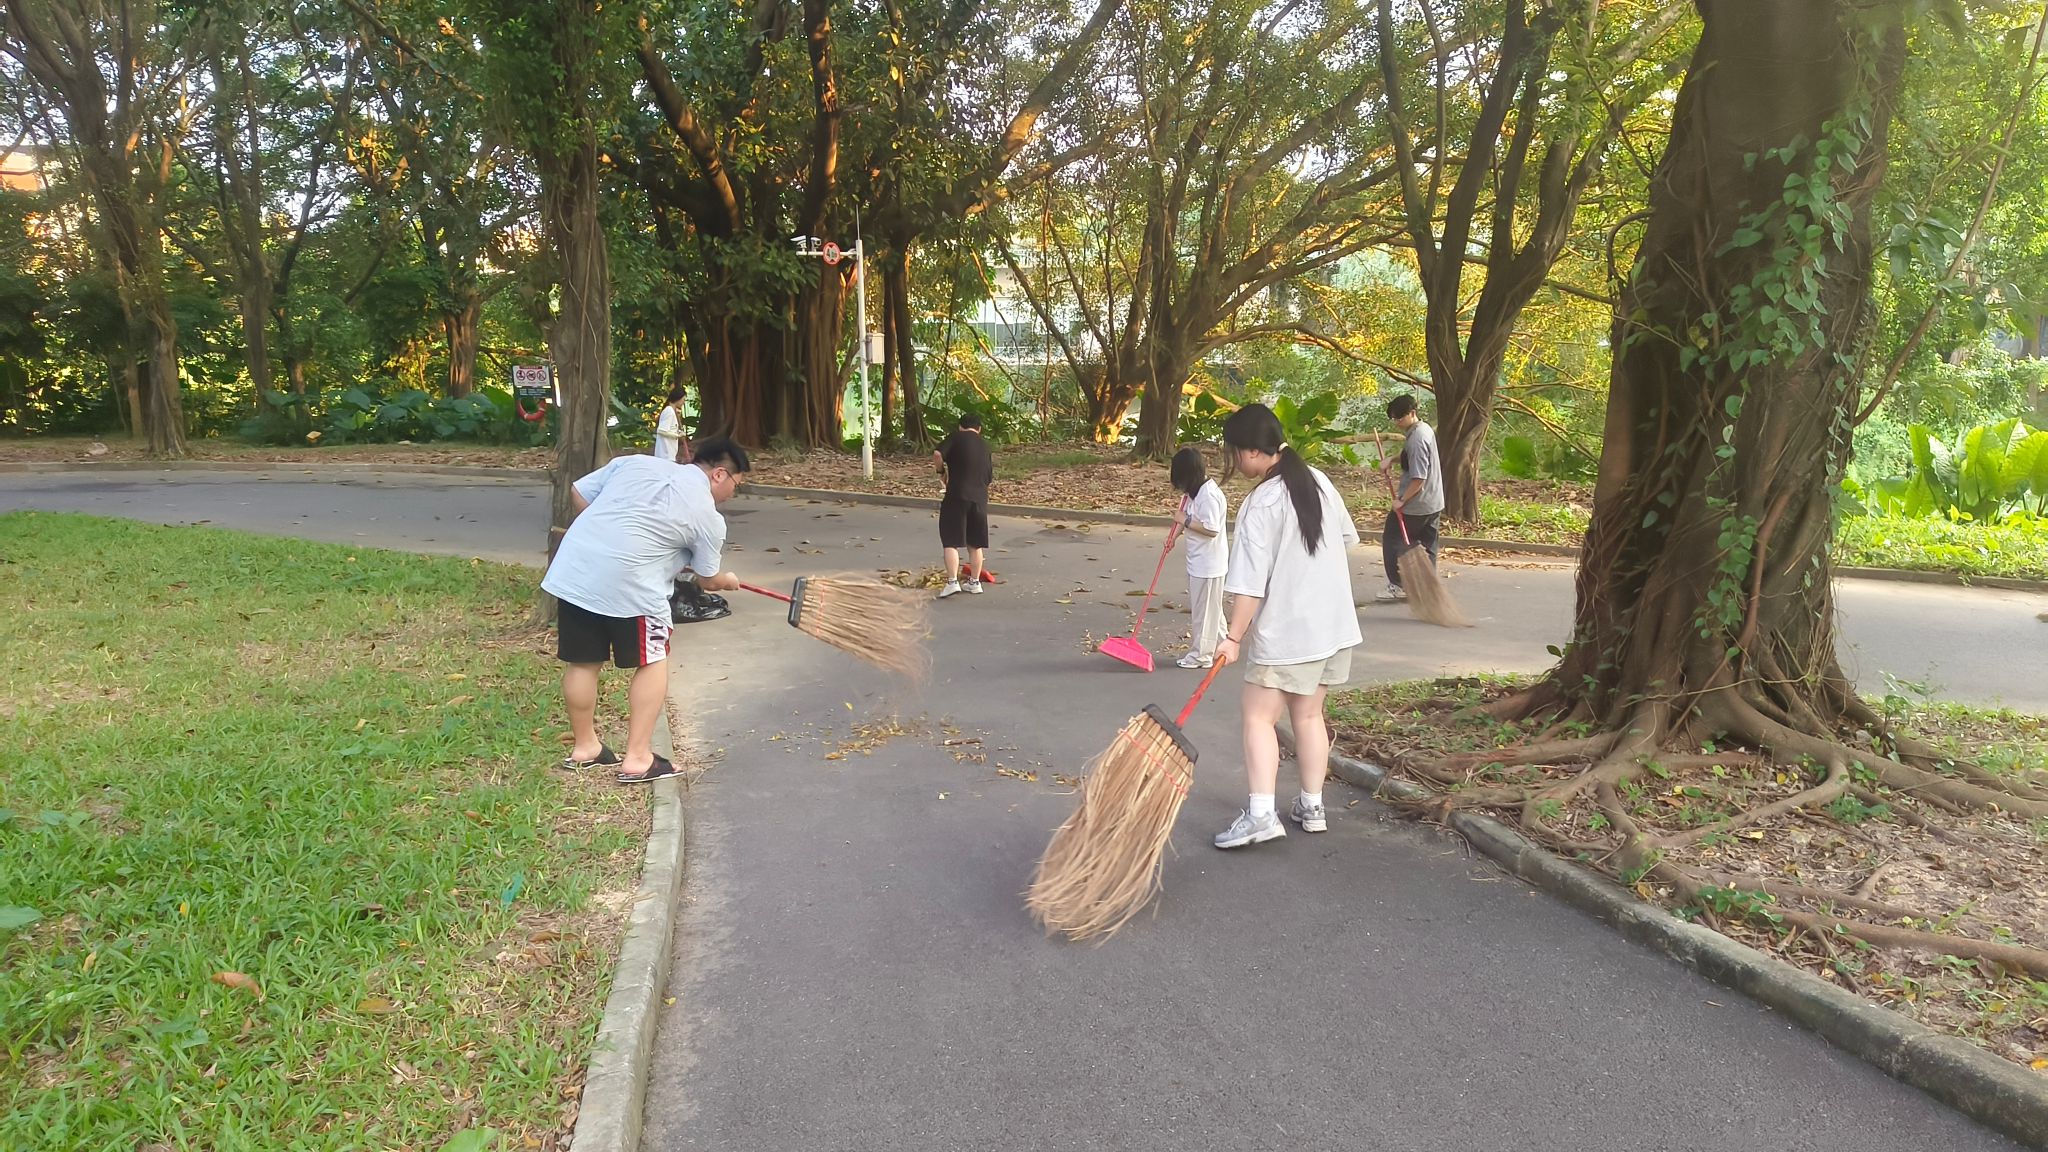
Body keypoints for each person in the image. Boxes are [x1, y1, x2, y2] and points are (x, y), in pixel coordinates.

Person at [541, 438, 750, 784]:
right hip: (634, 588)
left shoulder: (635, 463)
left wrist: (610, 536)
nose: (732, 493)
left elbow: (579, 492)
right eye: (736, 485)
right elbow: (708, 579)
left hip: (576, 573)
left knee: (582, 662)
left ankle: (585, 747)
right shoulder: (708, 516)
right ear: (719, 474)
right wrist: (728, 581)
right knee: (653, 660)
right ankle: (638, 758)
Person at [1211, 403, 1361, 849]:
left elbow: (1249, 584)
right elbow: (1347, 539)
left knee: (1258, 717)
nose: (1233, 461)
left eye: (1233, 452)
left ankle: (1261, 816)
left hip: (1289, 631)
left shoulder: (1262, 503)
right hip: (1332, 627)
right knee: (1310, 715)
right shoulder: (1319, 481)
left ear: (1252, 452)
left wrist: (1232, 637)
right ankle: (1312, 807)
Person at [1377, 394, 1444, 602]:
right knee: (1428, 545)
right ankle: (1428, 587)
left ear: (1412, 413)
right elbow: (1409, 457)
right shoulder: (1423, 429)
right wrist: (1392, 459)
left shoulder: (1416, 439)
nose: (1397, 423)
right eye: (1393, 419)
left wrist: (1402, 501)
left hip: (1416, 505)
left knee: (1392, 539)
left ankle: (1398, 585)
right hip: (1434, 501)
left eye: (1400, 418)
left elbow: (1418, 478)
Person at [1169, 445, 1229, 670]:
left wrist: (1183, 520)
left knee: (1203, 613)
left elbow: (1211, 529)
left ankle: (1201, 656)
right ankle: (1222, 645)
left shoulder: (1209, 496)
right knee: (1212, 609)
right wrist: (1173, 537)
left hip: (1208, 565)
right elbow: (1184, 516)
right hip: (1198, 561)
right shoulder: (1192, 494)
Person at [933, 411, 994, 599]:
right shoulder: (985, 446)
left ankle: (952, 582)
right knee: (975, 543)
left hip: (957, 495)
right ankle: (974, 582)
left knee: (950, 540)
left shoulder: (956, 437)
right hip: (980, 498)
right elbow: (989, 477)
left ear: (960, 427)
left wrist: (941, 471)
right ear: (979, 429)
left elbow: (937, 454)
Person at [653, 383, 689, 463]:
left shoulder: (671, 411)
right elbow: (661, 430)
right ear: (678, 399)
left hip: (669, 454)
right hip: (665, 455)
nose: (683, 403)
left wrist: (678, 432)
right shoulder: (669, 411)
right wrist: (677, 435)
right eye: (683, 400)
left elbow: (670, 429)